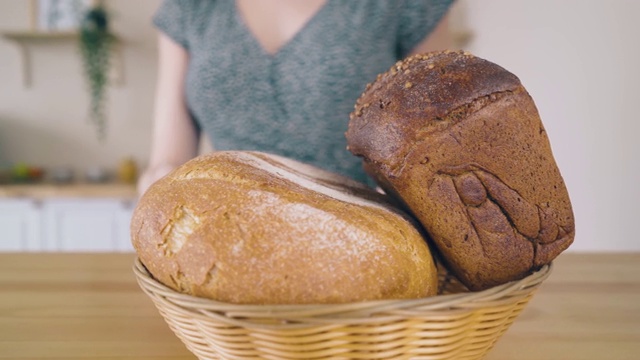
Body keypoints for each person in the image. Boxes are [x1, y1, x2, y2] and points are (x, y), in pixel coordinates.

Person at [138, 0, 455, 195]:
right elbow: (168, 161)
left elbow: (436, 150)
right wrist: (160, 184)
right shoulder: (189, 7)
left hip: (369, 238)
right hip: (227, 235)